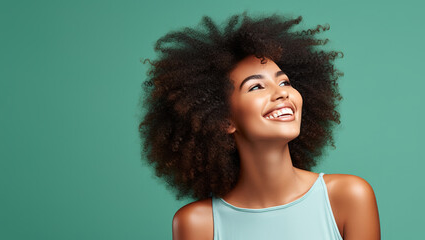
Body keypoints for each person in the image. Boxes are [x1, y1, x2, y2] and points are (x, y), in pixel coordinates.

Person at [138, 12, 380, 240]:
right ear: (224, 119)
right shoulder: (198, 224)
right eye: (256, 87)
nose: (282, 94)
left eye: (284, 82)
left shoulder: (349, 197)